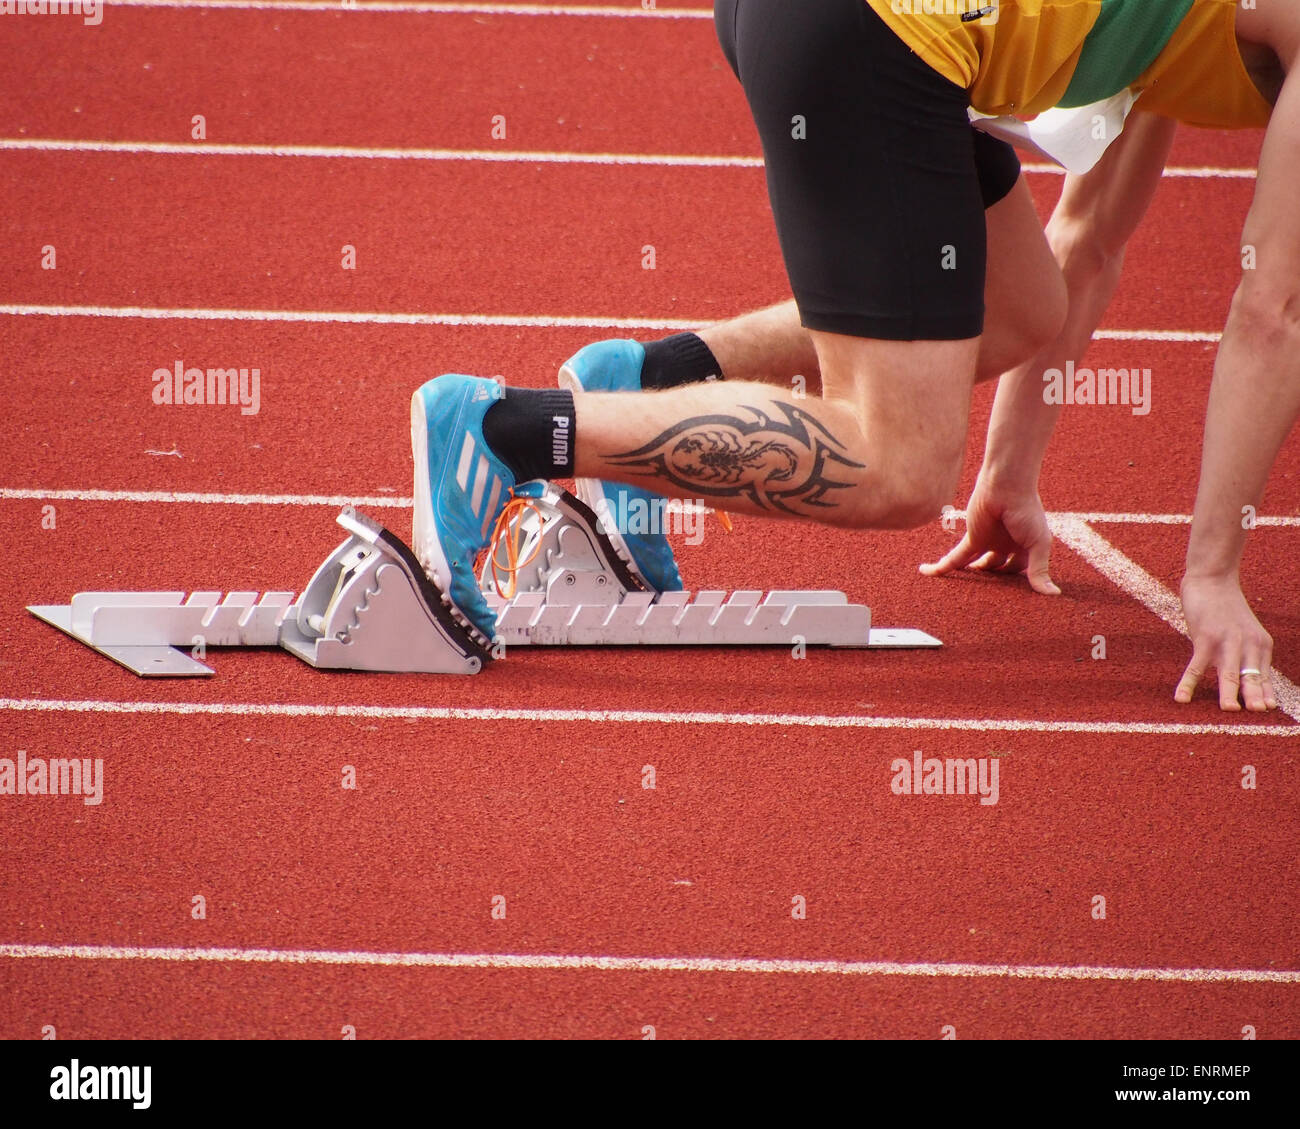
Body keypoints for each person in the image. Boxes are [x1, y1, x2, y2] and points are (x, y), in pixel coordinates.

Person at [411, 0, 1295, 713]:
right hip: (877, 32)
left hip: (863, 30)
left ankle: (648, 382)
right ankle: (500, 433)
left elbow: (1090, 238)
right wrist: (1212, 575)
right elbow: (1274, 310)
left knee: (1014, 305)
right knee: (903, 463)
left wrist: (1011, 474)